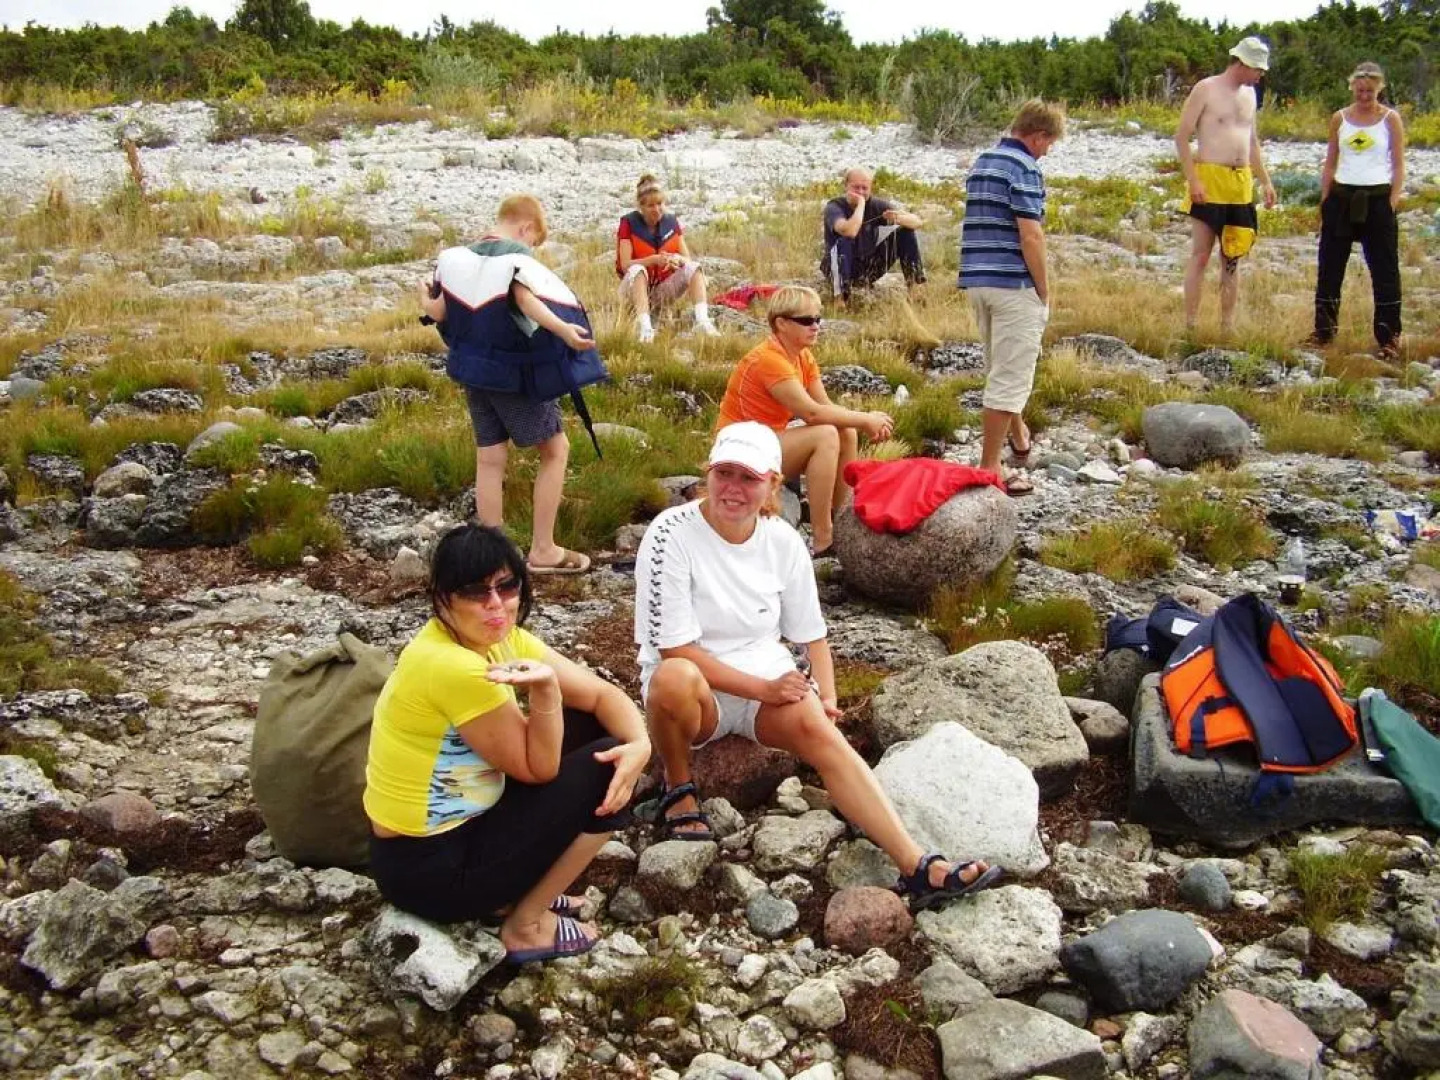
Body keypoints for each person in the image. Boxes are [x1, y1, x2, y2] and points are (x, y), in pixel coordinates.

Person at [635, 423, 1003, 910]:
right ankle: (678, 787)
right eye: (724, 473)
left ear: (772, 484)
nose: (733, 489)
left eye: (749, 478)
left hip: (765, 683)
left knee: (826, 738)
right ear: (708, 474)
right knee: (673, 679)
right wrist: (767, 688)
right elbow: (677, 652)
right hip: (697, 691)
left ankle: (917, 866)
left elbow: (812, 634)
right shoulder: (670, 534)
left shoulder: (782, 540)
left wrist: (825, 697)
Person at [364, 523, 651, 963]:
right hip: (428, 873)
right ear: (444, 598)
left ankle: (518, 888)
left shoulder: (497, 637)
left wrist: (641, 744)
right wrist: (546, 692)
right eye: (476, 592)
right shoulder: (451, 666)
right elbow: (539, 770)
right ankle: (526, 924)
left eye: (507, 585)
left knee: (599, 732)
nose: (496, 604)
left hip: (457, 833)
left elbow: (601, 695)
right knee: (605, 767)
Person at [419, 194, 593, 575]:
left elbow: (437, 312)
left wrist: (425, 301)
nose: (530, 248)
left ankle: (493, 557)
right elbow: (526, 300)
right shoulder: (514, 260)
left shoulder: (456, 260)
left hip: (471, 372)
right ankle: (544, 550)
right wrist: (565, 331)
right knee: (555, 448)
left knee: (490, 458)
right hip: (511, 374)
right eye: (533, 241)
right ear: (526, 228)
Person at [715, 286, 893, 558]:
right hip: (739, 449)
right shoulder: (768, 359)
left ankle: (844, 521)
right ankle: (823, 538)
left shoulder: (802, 356)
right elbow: (811, 414)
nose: (815, 326)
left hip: (768, 440)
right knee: (825, 435)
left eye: (818, 319)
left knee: (845, 432)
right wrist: (866, 419)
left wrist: (859, 423)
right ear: (781, 324)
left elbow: (826, 408)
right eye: (806, 320)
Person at [958, 99, 1067, 497]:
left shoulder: (983, 160)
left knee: (998, 363)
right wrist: (1043, 289)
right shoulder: (1025, 168)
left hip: (977, 279)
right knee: (1011, 373)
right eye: (1049, 143)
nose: (1047, 150)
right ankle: (991, 468)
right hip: (1012, 283)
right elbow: (1031, 234)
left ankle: (1019, 439)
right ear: (1037, 135)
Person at [1175, 36, 1279, 336]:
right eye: (1257, 68)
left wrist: (1265, 180)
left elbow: (1252, 140)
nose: (1260, 74)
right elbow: (1182, 135)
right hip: (1210, 176)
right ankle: (1191, 323)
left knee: (1233, 256)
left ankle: (1227, 325)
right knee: (1202, 253)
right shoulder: (1206, 89)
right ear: (1242, 63)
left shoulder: (1250, 95)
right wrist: (1193, 179)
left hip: (1240, 181)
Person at [1311, 61, 1406, 357]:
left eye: (1370, 91)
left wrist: (1391, 201)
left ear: (1379, 89)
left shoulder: (1390, 120)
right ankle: (1324, 331)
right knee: (1330, 265)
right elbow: (1330, 161)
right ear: (1352, 87)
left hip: (1377, 197)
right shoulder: (1340, 119)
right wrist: (1325, 200)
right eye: (1360, 90)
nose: (1365, 95)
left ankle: (1388, 336)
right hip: (1342, 196)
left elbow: (1399, 164)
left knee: (1384, 268)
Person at [616, 174, 720, 343]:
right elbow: (625, 264)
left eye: (660, 204)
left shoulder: (671, 222)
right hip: (633, 289)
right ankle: (645, 327)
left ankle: (703, 321)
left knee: (694, 267)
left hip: (661, 291)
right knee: (637, 269)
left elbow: (687, 259)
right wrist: (654, 259)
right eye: (650, 205)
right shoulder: (628, 224)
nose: (656, 209)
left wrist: (676, 260)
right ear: (641, 207)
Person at [821, 168, 926, 302]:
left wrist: (898, 218)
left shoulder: (877, 205)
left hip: (868, 266)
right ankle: (840, 299)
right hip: (839, 266)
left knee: (905, 232)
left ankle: (915, 289)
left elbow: (917, 222)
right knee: (844, 240)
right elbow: (850, 231)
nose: (860, 192)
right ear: (846, 186)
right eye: (856, 187)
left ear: (871, 188)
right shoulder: (835, 207)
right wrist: (861, 205)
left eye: (865, 188)